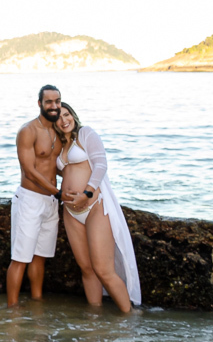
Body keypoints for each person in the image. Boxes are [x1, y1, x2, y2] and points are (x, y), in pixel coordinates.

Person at [54, 102, 141, 312]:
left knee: (103, 270)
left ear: (73, 115)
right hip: (70, 211)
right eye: (58, 117)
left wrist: (86, 194)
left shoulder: (86, 133)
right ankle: (95, 321)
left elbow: (101, 164)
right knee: (86, 269)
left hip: (94, 206)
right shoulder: (58, 145)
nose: (64, 120)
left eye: (67, 114)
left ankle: (130, 319)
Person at [7, 85, 64, 307]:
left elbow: (59, 166)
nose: (54, 106)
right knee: (20, 258)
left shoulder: (59, 131)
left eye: (57, 101)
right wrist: (58, 192)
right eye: (49, 102)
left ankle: (37, 304)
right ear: (40, 103)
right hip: (30, 200)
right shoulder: (28, 131)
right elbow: (29, 171)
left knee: (40, 257)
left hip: (51, 203)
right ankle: (12, 312)